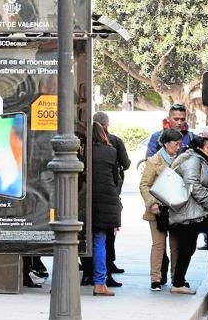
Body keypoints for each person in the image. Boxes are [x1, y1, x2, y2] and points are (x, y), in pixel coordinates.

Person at [168, 134, 208, 295]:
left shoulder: (198, 159)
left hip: (197, 212)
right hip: (191, 214)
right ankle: (178, 282)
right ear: (199, 147)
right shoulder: (193, 160)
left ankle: (181, 280)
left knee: (196, 246)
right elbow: (192, 184)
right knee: (187, 248)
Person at [139, 128, 183, 291]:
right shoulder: (153, 161)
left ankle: (175, 278)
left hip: (176, 209)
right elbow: (144, 185)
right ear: (165, 144)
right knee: (158, 245)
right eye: (175, 144)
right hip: (157, 210)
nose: (178, 147)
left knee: (175, 245)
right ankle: (155, 279)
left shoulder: (180, 159)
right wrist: (152, 203)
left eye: (180, 144)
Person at [94, 111, 130, 287]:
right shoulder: (112, 147)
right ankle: (102, 278)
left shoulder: (83, 146)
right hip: (109, 197)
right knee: (105, 238)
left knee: (94, 239)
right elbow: (126, 164)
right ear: (106, 125)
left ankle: (91, 274)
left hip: (88, 199)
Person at [90, 122, 123, 297]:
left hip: (87, 201)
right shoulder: (111, 152)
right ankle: (100, 282)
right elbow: (116, 178)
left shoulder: (85, 152)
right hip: (107, 200)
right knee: (100, 240)